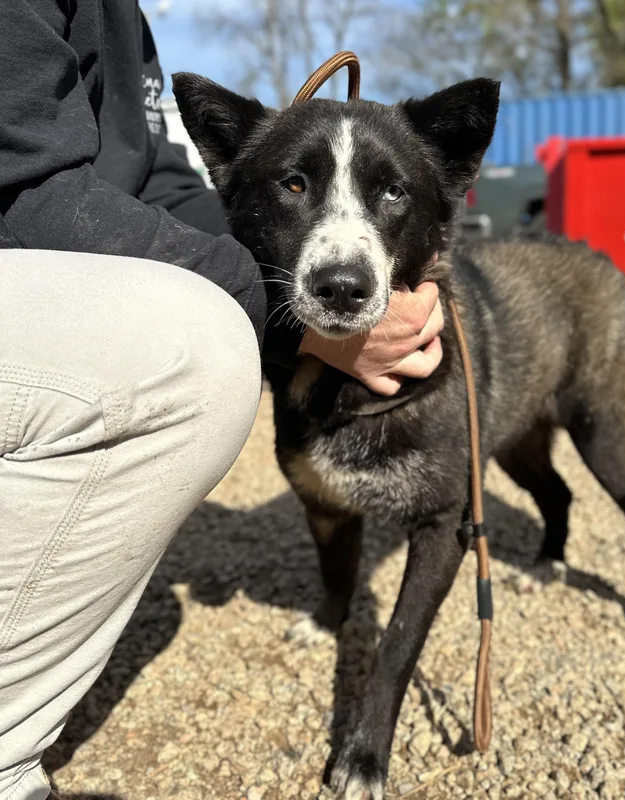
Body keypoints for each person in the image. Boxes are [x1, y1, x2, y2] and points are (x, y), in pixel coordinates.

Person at [0, 3, 444, 798]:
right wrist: (291, 315)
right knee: (197, 343)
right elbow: (24, 186)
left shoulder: (122, 15)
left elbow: (168, 184)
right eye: (300, 185)